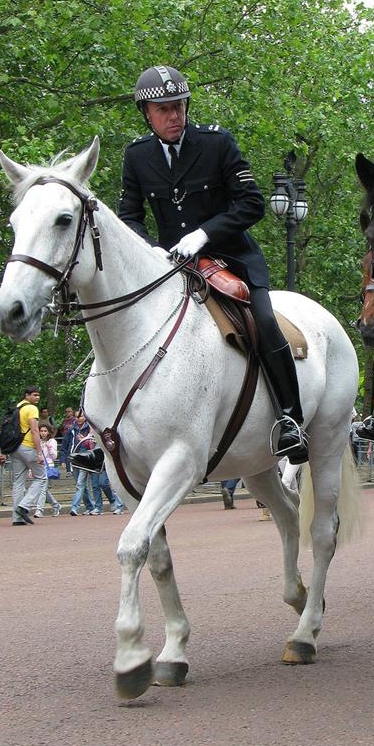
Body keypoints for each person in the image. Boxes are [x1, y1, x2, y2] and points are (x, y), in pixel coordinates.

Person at [118, 64, 307, 464]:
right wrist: (152, 250)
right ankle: (107, 428)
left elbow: (252, 203)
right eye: (164, 109)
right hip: (170, 266)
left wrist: (203, 234)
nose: (174, 115)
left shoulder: (217, 143)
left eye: (179, 106)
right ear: (146, 114)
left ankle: (291, 419)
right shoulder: (136, 156)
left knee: (265, 322)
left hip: (230, 259)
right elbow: (129, 216)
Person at [8, 386, 45, 525]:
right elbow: (35, 431)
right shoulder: (31, 409)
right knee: (41, 477)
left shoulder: (18, 407)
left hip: (15, 448)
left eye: (38, 395)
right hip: (28, 447)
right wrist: (39, 452)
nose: (37, 398)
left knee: (18, 482)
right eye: (35, 395)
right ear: (27, 395)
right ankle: (24, 506)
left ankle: (16, 519)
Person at [66, 410, 97, 516]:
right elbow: (65, 447)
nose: (79, 418)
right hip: (74, 459)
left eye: (81, 416)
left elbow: (94, 443)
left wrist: (84, 439)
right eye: (77, 417)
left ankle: (75, 507)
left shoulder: (90, 428)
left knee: (80, 484)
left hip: (85, 460)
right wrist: (63, 460)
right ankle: (90, 506)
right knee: (82, 486)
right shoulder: (71, 430)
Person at [35, 422, 61, 517]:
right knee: (43, 489)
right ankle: (56, 505)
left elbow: (54, 456)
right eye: (41, 431)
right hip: (38, 467)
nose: (43, 433)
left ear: (49, 432)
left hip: (48, 466)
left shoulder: (52, 441)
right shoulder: (37, 441)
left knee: (42, 489)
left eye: (45, 431)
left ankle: (39, 510)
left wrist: (49, 448)